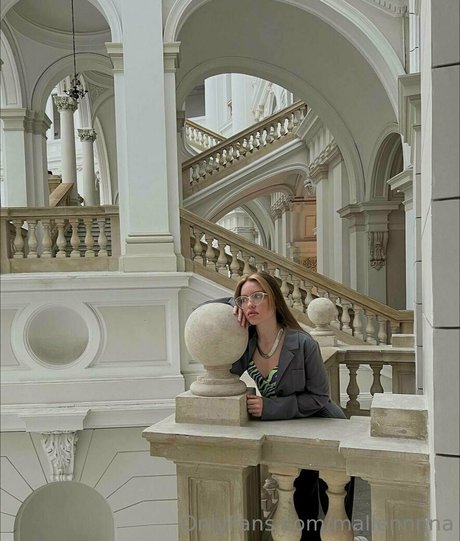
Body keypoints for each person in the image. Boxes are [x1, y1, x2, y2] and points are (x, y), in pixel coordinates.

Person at [225, 271, 353, 541]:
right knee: (302, 505)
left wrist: (269, 407)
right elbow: (205, 315)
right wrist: (229, 304)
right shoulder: (246, 344)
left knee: (335, 504)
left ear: (274, 298)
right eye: (243, 300)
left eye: (257, 296)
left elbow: (320, 397)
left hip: (325, 427)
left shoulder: (303, 343)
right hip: (291, 433)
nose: (249, 305)